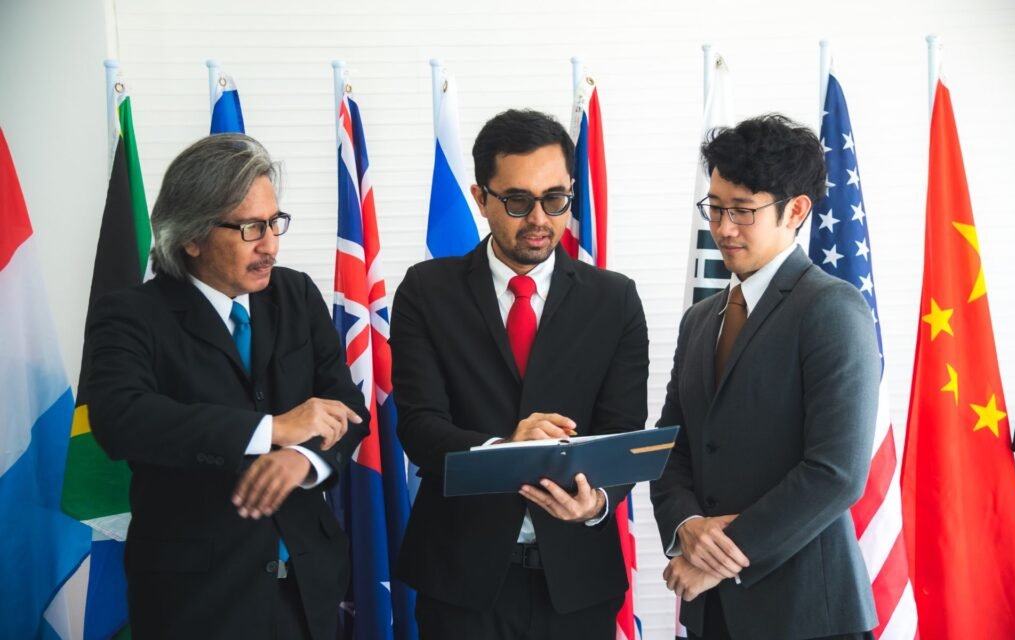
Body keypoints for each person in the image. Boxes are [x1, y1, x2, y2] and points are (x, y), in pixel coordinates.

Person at [85, 134, 369, 640]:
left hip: (308, 591)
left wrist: (303, 459)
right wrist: (271, 430)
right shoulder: (130, 315)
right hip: (196, 600)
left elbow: (347, 409)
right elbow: (121, 420)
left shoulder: (296, 295)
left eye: (274, 223)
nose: (271, 245)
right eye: (251, 229)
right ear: (191, 237)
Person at [390, 109, 649, 639]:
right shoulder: (426, 290)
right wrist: (507, 445)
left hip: (578, 585)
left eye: (555, 199)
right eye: (517, 201)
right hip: (460, 582)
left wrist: (598, 502)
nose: (539, 219)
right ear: (480, 197)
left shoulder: (614, 299)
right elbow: (418, 428)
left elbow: (622, 433)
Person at [650, 114, 880, 640]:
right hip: (711, 616)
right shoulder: (700, 319)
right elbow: (671, 447)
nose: (723, 227)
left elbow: (837, 472)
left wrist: (719, 560)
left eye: (742, 211)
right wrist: (686, 528)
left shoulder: (831, 308)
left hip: (807, 615)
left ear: (796, 210)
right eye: (715, 207)